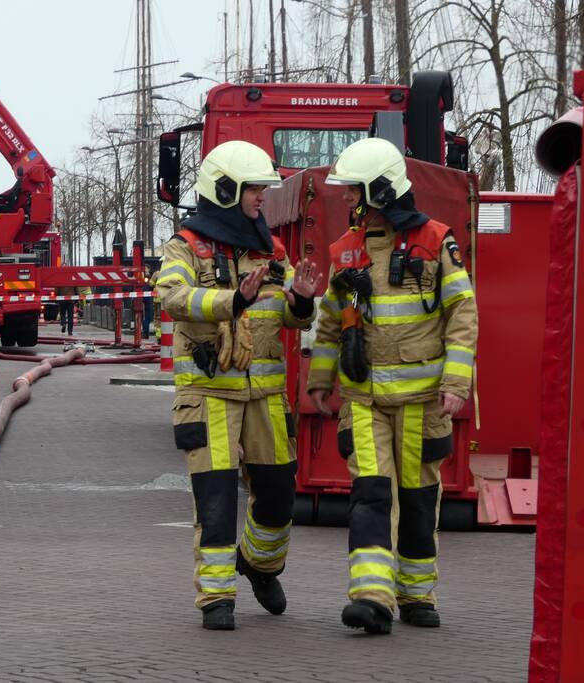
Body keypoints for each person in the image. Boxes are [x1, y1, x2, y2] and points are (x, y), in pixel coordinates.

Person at [306, 137, 478, 634]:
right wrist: (321, 379)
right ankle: (371, 596)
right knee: (370, 493)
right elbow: (333, 323)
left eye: (351, 190)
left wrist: (457, 381)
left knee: (420, 496)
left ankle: (417, 594)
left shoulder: (435, 241)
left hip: (423, 401)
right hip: (364, 401)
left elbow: (462, 315)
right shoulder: (346, 251)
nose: (344, 199)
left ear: (377, 191)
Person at [155, 140, 321, 630]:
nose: (261, 200)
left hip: (266, 399)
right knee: (217, 497)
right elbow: (172, 296)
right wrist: (231, 300)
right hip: (209, 396)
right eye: (254, 190)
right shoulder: (184, 246)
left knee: (276, 495)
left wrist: (304, 301)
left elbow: (289, 317)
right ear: (225, 190)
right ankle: (216, 598)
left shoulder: (271, 249)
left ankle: (260, 565)